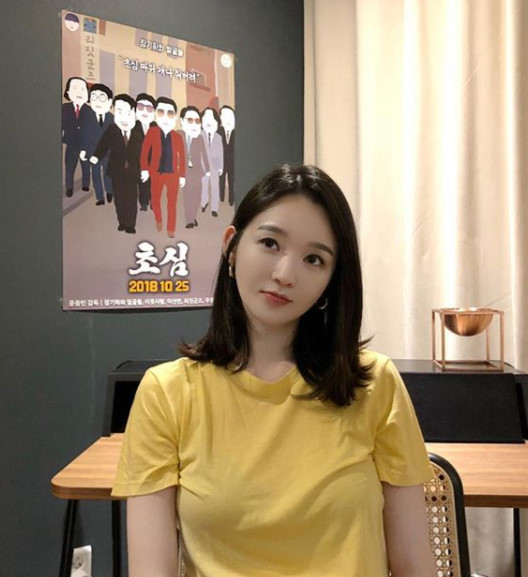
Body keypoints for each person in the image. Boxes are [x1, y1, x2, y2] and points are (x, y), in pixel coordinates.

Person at [112, 164, 436, 577]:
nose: (285, 274)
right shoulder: (167, 393)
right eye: (269, 243)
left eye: (314, 259)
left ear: (332, 280)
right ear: (231, 247)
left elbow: (414, 564)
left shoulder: (375, 384)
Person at [90, 94, 142, 234]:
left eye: (128, 113)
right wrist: (96, 156)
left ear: (134, 113)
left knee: (131, 198)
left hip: (132, 171)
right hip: (116, 171)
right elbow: (103, 145)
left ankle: (131, 224)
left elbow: (144, 151)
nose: (124, 117)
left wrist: (146, 169)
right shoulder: (112, 129)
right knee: (119, 198)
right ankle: (122, 222)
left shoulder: (138, 130)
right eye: (119, 112)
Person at [140, 97, 186, 238]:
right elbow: (144, 151)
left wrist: (182, 176)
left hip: (173, 175)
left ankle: (171, 228)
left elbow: (182, 157)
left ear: (175, 117)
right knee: (155, 200)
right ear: (155, 114)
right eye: (161, 112)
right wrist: (144, 169)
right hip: (156, 173)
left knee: (172, 203)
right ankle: (158, 219)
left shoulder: (177, 137)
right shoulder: (152, 132)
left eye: (170, 113)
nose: (165, 117)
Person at [80, 83, 114, 206]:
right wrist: (83, 150)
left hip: (108, 153)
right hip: (92, 152)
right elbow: (84, 134)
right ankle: (100, 197)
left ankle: (109, 191)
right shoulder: (87, 118)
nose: (97, 101)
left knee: (108, 174)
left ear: (109, 102)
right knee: (95, 175)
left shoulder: (112, 118)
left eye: (102, 97)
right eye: (94, 97)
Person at [179, 106, 210, 229]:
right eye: (190, 120)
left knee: (197, 196)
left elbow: (204, 154)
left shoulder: (199, 137)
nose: (194, 124)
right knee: (187, 196)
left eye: (197, 121)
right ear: (182, 121)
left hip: (197, 171)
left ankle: (193, 216)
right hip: (184, 171)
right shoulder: (178, 135)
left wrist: (208, 169)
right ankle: (189, 220)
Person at [61, 76, 90, 197]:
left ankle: (85, 185)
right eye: (75, 88)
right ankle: (69, 187)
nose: (79, 92)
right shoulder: (64, 108)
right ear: (68, 92)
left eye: (82, 89)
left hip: (85, 144)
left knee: (86, 166)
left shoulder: (89, 110)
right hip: (71, 143)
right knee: (70, 166)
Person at [200, 107, 224, 217]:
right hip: (203, 166)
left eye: (212, 118)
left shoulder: (218, 137)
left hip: (214, 164)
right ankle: (204, 203)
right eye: (206, 118)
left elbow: (220, 152)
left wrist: (220, 167)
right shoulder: (199, 135)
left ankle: (214, 208)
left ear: (217, 122)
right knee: (204, 185)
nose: (209, 121)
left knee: (215, 187)